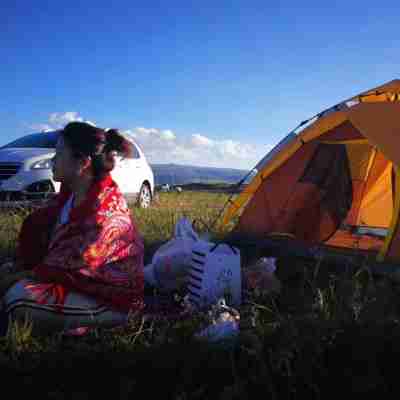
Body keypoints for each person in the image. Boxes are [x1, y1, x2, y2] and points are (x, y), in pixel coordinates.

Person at [0, 122, 145, 335]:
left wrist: (16, 277)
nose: (53, 160)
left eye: (59, 153)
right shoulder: (69, 197)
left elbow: (67, 269)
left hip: (112, 300)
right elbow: (45, 244)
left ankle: (114, 320)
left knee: (18, 298)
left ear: (83, 163)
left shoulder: (102, 213)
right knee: (11, 281)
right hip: (71, 286)